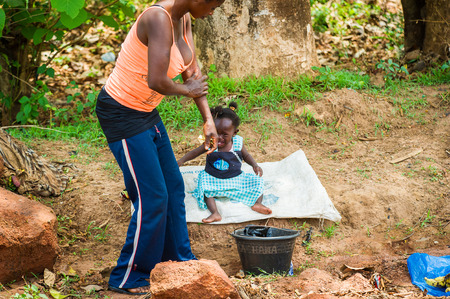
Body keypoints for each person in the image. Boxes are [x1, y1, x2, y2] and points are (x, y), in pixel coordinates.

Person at [95, 0, 224, 295]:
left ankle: (179, 260)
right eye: (215, 4)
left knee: (173, 187)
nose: (215, 10)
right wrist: (185, 91)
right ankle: (128, 276)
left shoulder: (185, 19)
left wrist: (208, 120)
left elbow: (192, 74)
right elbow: (156, 80)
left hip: (145, 111)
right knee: (152, 197)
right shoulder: (157, 18)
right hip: (122, 113)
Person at [177, 102, 272, 223]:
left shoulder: (237, 143)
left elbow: (246, 156)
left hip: (235, 178)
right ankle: (215, 213)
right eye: (217, 132)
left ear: (235, 132)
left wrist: (255, 165)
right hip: (213, 178)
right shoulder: (211, 142)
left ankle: (258, 204)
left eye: (224, 134)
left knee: (257, 182)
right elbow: (195, 152)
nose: (219, 137)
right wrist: (181, 160)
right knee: (204, 186)